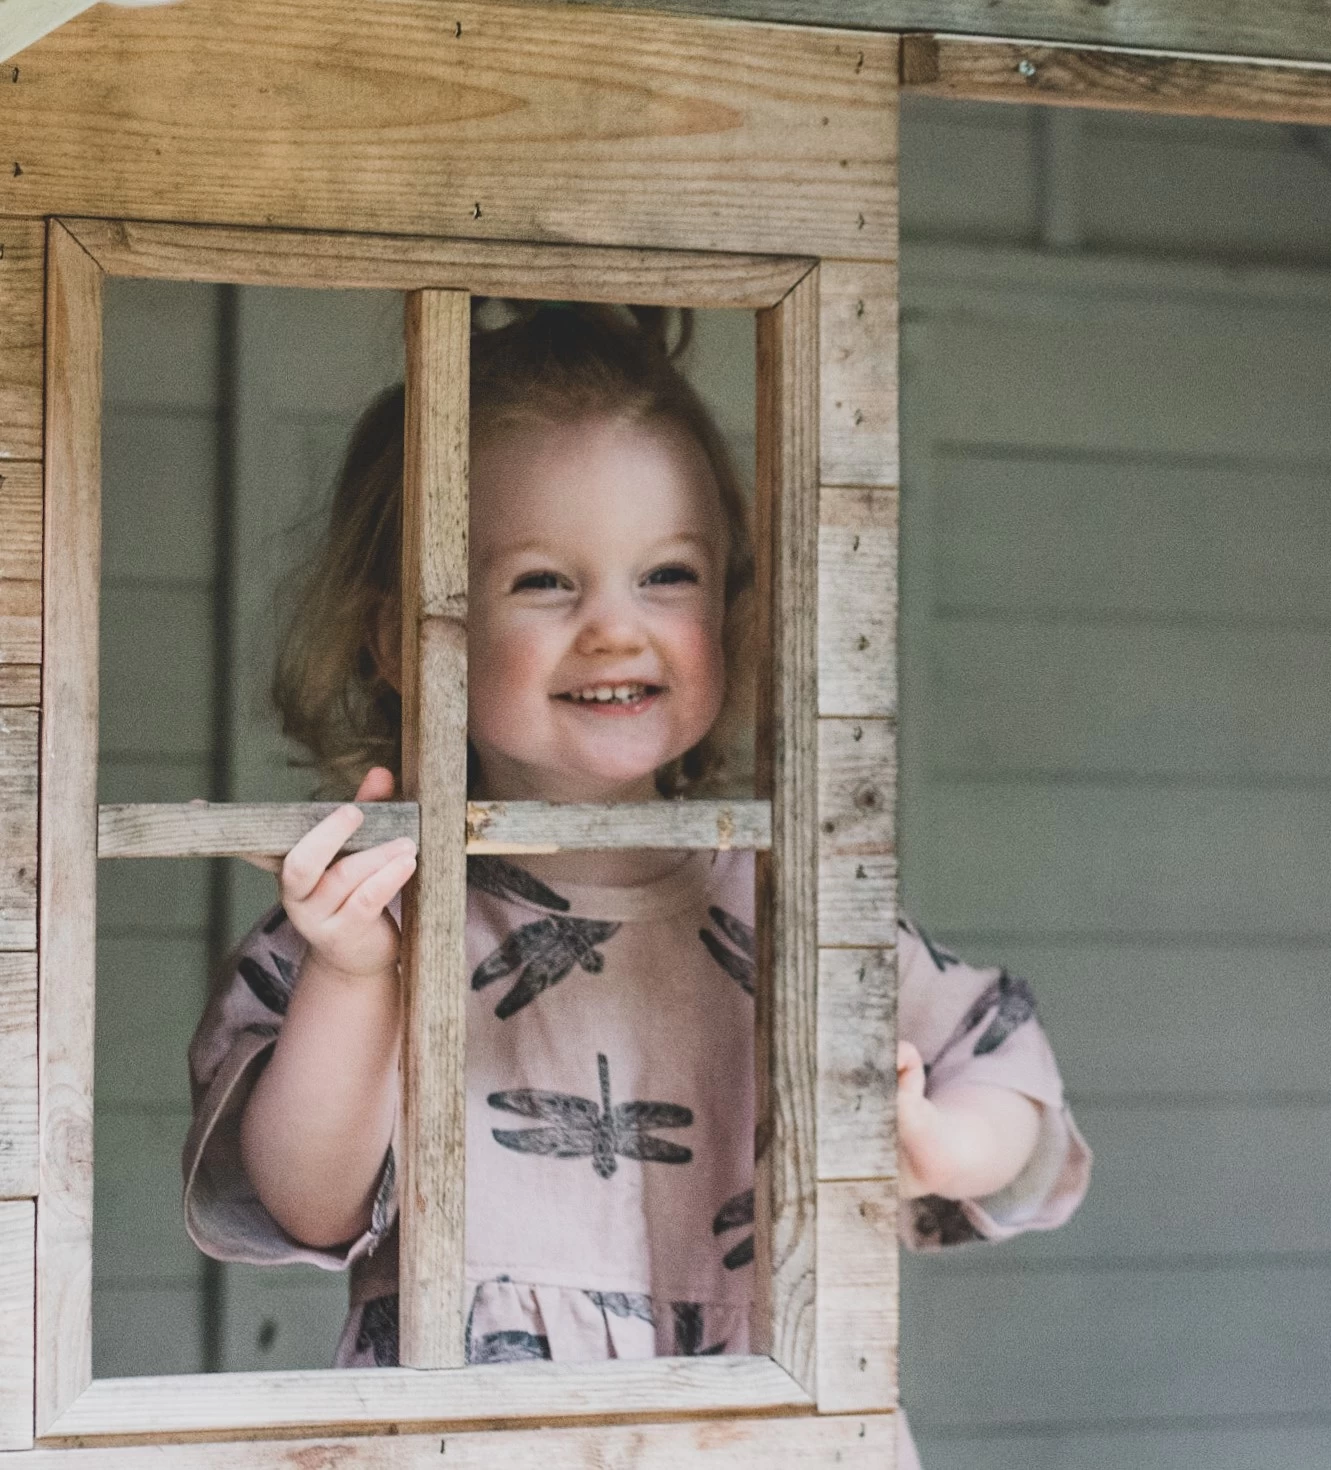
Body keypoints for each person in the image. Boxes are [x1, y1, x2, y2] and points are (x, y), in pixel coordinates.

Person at [183, 303, 1091, 1466]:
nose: (617, 630)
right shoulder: (374, 913)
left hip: (760, 1428)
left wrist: (942, 1141)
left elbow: (1012, 1084)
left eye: (668, 574)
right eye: (545, 582)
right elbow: (308, 1201)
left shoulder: (789, 904)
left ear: (730, 604)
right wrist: (358, 976)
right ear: (399, 638)